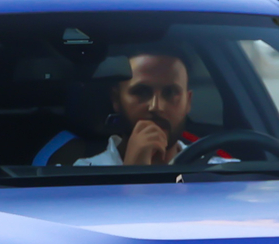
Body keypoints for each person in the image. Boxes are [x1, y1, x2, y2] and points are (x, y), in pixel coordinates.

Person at [76, 50, 206, 166]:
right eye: (141, 92)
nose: (156, 107)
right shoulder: (83, 175)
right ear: (116, 99)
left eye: (170, 92)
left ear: (188, 101)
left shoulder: (217, 171)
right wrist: (132, 173)